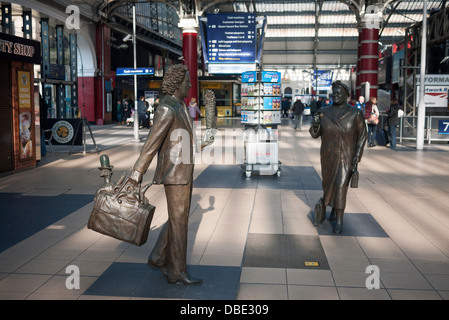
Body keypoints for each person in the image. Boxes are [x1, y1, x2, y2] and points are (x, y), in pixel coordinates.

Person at [122, 64, 201, 285]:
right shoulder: (167, 108)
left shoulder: (180, 105)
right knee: (179, 221)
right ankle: (177, 271)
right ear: (177, 83)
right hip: (174, 172)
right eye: (187, 81)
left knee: (179, 217)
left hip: (184, 170)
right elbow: (151, 143)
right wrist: (137, 172)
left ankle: (158, 257)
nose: (190, 85)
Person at [309, 81, 367, 234]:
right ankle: (333, 210)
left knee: (341, 185)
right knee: (329, 184)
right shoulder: (324, 112)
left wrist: (357, 156)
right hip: (327, 155)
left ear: (347, 95)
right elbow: (315, 134)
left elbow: (362, 136)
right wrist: (315, 123)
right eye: (334, 93)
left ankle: (339, 220)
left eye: (340, 93)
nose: (336, 95)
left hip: (346, 156)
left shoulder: (355, 113)